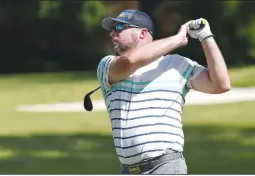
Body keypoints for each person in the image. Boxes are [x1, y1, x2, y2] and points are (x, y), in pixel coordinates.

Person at [96, 9, 230, 174]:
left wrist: (205, 37)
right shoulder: (108, 65)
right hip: (128, 171)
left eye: (118, 27)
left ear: (142, 33)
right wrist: (178, 39)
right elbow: (130, 61)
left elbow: (220, 84)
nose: (112, 33)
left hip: (165, 167)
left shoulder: (177, 64)